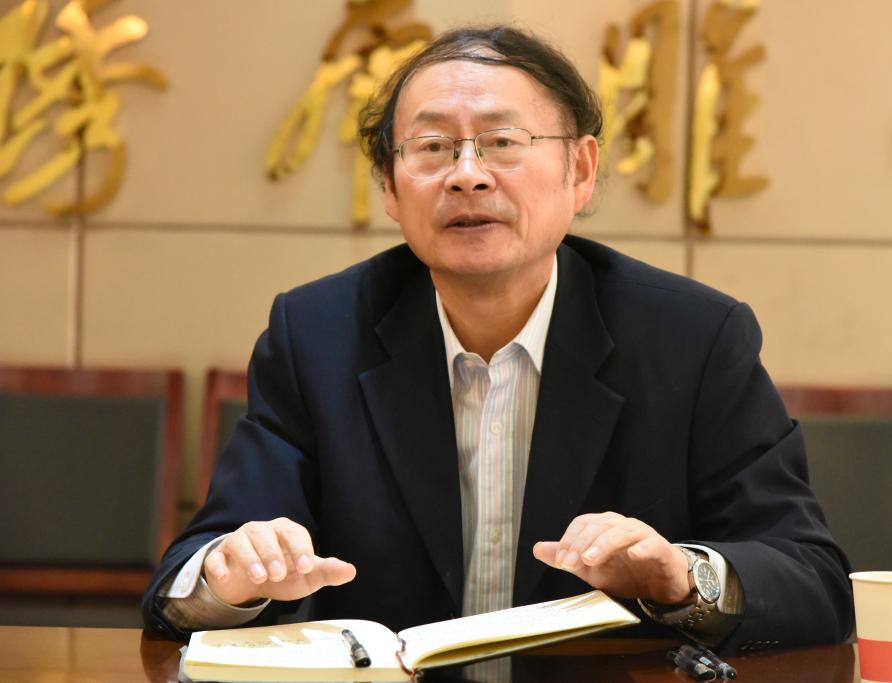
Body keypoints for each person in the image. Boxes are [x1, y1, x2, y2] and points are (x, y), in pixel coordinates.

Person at [142, 25, 853, 653]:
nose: (467, 175)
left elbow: (813, 581)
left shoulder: (692, 340)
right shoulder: (316, 335)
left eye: (502, 143)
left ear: (580, 170)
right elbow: (186, 583)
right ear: (389, 187)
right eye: (432, 147)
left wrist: (681, 578)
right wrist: (229, 580)